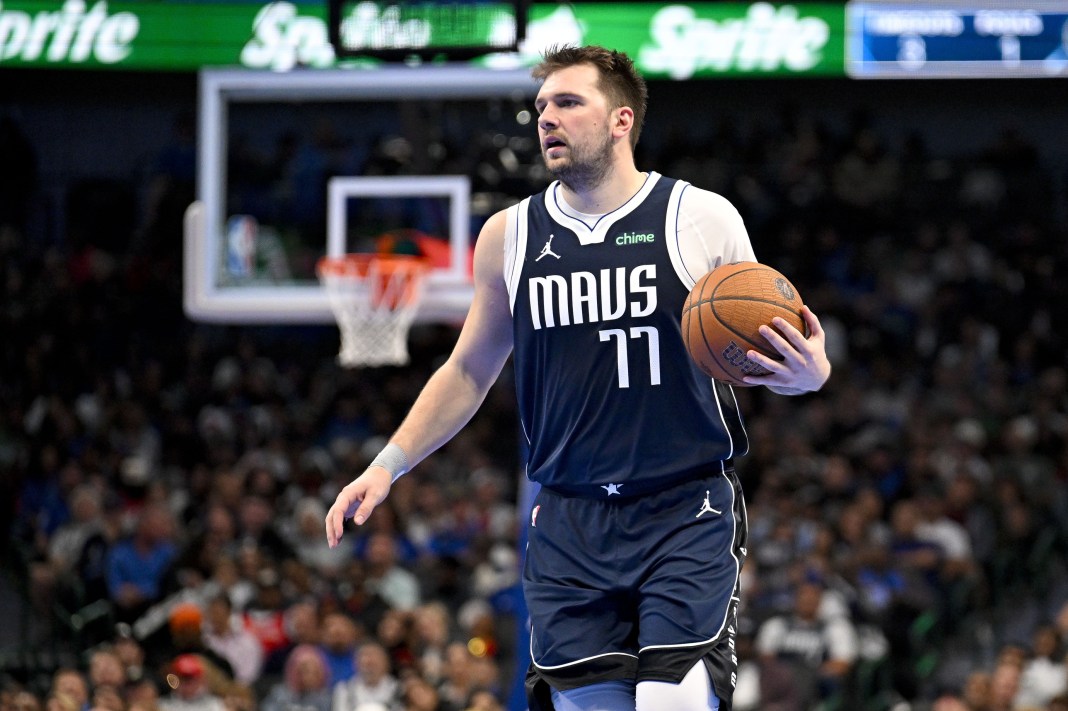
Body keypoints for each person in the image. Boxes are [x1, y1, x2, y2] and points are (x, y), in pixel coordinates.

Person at [326, 44, 831, 711]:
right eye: (540, 107)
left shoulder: (701, 217)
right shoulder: (509, 235)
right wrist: (387, 464)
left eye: (568, 102)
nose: (546, 119)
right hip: (569, 517)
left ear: (621, 120)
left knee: (669, 703)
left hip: (683, 507)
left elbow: (781, 347)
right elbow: (469, 369)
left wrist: (809, 372)